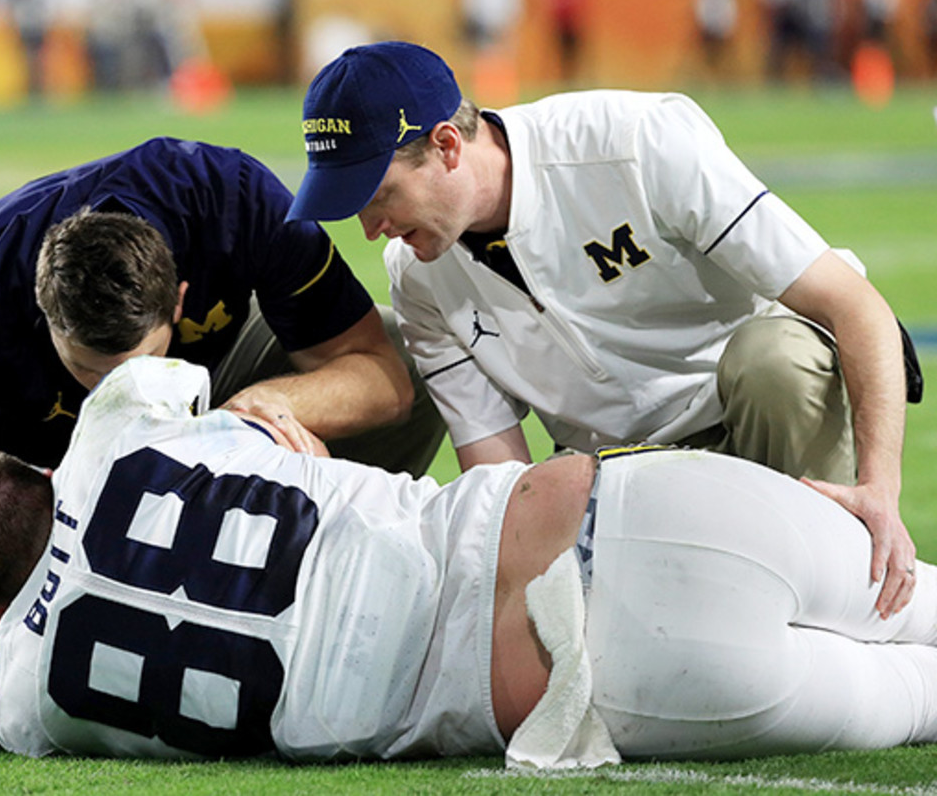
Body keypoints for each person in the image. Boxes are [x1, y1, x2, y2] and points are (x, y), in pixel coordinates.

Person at [0, 356, 937, 767]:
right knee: (914, 599)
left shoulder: (39, 698)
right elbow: (169, 381)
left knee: (917, 698)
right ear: (43, 477)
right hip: (606, 503)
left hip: (574, 674)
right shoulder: (115, 433)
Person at [284, 40, 924, 622]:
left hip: (755, 414)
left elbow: (854, 305)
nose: (371, 229)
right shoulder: (417, 279)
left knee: (774, 359)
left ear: (448, 145)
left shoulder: (634, 141)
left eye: (377, 196)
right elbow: (498, 475)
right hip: (622, 478)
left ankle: (836, 576)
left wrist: (879, 489)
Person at [0, 136, 445, 727]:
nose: (120, 398)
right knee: (22, 662)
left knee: (417, 361)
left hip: (215, 392)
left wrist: (253, 415)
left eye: (139, 367)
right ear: (44, 317)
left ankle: (315, 577)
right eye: (91, 373)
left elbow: (384, 378)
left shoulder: (230, 199)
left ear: (179, 300)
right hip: (46, 492)